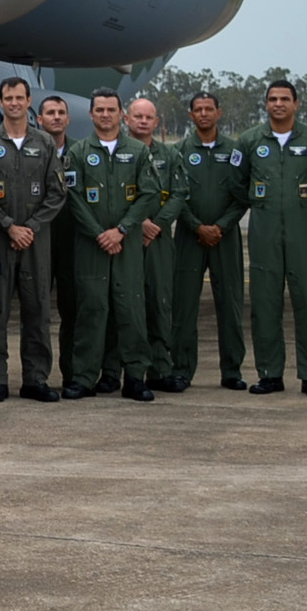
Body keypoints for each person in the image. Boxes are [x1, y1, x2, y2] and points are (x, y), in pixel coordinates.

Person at [239, 79, 307, 396]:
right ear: (266, 104)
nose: (278, 104)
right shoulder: (251, 140)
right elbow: (237, 182)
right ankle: (269, 373)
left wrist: (302, 206)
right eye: (272, 99)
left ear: (296, 104)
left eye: (285, 99)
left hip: (303, 232)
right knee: (265, 303)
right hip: (263, 231)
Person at [65, 89, 156, 402]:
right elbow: (73, 198)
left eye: (111, 110)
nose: (105, 115)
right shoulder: (78, 152)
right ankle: (83, 377)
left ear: (122, 115)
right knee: (92, 309)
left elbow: (149, 194)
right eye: (99, 110)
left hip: (127, 245)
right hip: (91, 247)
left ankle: (134, 377)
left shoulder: (138, 152)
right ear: (91, 115)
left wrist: (122, 230)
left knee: (130, 309)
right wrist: (98, 234)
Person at [0, 77, 65, 403]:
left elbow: (57, 193)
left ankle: (36, 378)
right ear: (1, 102)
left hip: (35, 241)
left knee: (38, 310)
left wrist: (29, 226)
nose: (14, 103)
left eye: (19, 97)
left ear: (29, 101)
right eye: (8, 98)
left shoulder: (44, 144)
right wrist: (7, 225)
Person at [173, 91, 250, 391]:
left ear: (219, 112)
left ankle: (232, 371)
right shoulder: (178, 151)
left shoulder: (236, 152)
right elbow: (175, 195)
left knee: (230, 305)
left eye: (209, 109)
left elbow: (243, 195)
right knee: (183, 306)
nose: (203, 114)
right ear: (190, 115)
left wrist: (221, 225)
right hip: (188, 238)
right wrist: (196, 226)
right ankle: (181, 369)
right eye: (198, 109)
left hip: (225, 237)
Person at [126, 98, 190, 395]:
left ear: (157, 122)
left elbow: (179, 193)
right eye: (137, 116)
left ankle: (161, 367)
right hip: (127, 237)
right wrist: (139, 223)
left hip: (159, 238)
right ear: (127, 119)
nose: (142, 121)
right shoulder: (122, 151)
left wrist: (157, 224)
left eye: (148, 117)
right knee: (127, 303)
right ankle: (123, 369)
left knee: (159, 302)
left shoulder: (170, 154)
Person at [38, 93, 79, 379]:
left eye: (60, 112)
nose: (56, 117)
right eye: (50, 113)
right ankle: (37, 373)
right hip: (38, 239)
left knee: (73, 308)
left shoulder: (81, 151)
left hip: (73, 240)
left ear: (68, 118)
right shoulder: (31, 150)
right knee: (38, 308)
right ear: (39, 119)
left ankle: (74, 373)